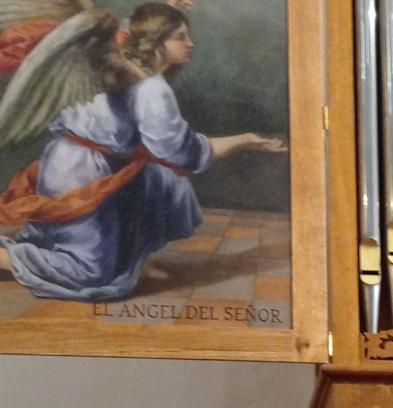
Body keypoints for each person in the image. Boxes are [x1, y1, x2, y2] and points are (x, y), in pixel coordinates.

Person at [0, 3, 285, 301]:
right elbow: (182, 151)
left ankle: (130, 260)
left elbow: (132, 26)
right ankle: (6, 259)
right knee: (90, 274)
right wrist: (244, 139)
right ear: (157, 41)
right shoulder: (150, 87)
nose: (190, 44)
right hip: (82, 173)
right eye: (180, 36)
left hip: (70, 160)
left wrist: (165, 7)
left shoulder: (119, 51)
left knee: (161, 179)